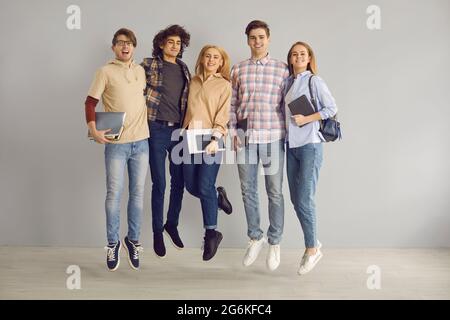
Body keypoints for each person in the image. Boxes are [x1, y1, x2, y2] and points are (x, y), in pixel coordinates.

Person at [85, 28, 149, 271]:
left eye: (130, 43)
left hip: (142, 142)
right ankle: (112, 243)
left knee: (138, 195)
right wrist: (93, 129)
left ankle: (132, 241)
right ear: (113, 47)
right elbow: (90, 102)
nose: (125, 47)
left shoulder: (141, 71)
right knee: (114, 195)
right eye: (121, 43)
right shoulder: (104, 71)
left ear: (134, 47)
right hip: (116, 145)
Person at [229, 20, 289, 271]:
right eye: (253, 37)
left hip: (273, 136)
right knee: (248, 190)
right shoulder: (238, 69)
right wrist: (232, 131)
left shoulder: (282, 69)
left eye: (261, 37)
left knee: (274, 192)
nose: (257, 41)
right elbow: (231, 104)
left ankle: (274, 242)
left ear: (269, 38)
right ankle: (255, 236)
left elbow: (289, 103)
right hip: (245, 138)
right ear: (247, 40)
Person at [284, 41, 337, 275]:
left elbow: (331, 108)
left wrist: (307, 119)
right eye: (294, 54)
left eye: (302, 54)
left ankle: (312, 249)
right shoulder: (288, 82)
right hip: (291, 146)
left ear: (309, 58)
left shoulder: (314, 80)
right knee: (296, 200)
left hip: (310, 145)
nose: (298, 57)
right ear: (290, 58)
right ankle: (314, 242)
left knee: (305, 199)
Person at [141, 25, 191, 258]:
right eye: (170, 42)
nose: (175, 46)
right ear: (161, 44)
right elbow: (132, 89)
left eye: (178, 43)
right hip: (156, 129)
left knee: (178, 181)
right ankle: (157, 232)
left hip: (178, 132)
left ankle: (172, 224)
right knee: (159, 183)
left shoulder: (184, 68)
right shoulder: (149, 65)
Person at [182, 45, 233, 261]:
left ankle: (211, 233)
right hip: (189, 138)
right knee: (191, 186)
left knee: (203, 185)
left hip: (212, 139)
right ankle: (218, 195)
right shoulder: (192, 81)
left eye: (216, 57)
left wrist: (216, 138)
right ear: (202, 58)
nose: (211, 60)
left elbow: (224, 115)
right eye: (208, 56)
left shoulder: (225, 85)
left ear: (221, 62)